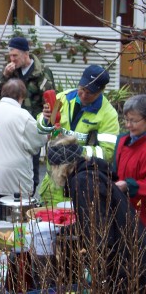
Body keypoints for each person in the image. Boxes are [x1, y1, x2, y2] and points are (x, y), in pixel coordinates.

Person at [47, 136, 146, 292]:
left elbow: (100, 235)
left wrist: (100, 277)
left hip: (128, 261)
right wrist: (64, 232)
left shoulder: (83, 181)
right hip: (131, 251)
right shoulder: (89, 174)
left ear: (59, 167)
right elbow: (94, 220)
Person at [37, 64, 120, 205]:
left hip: (82, 186)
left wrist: (78, 152)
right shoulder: (62, 98)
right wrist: (45, 120)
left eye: (90, 92)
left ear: (101, 90)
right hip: (52, 184)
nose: (83, 94)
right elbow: (42, 129)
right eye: (82, 89)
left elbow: (108, 152)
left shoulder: (108, 114)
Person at [0, 37, 55, 195]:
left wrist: (45, 123)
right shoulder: (11, 71)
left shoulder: (42, 72)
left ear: (26, 54)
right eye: (10, 55)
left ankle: (28, 197)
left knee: (31, 163)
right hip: (10, 123)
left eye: (15, 55)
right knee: (10, 161)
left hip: (30, 124)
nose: (12, 59)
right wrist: (4, 75)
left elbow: (49, 101)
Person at [0, 79, 48, 227]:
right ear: (21, 96)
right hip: (16, 179)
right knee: (17, 225)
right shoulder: (23, 116)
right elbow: (37, 142)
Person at [113, 94, 146, 226]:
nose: (128, 125)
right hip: (122, 211)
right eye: (126, 120)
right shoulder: (123, 141)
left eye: (133, 121)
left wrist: (129, 185)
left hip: (141, 216)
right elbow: (115, 172)